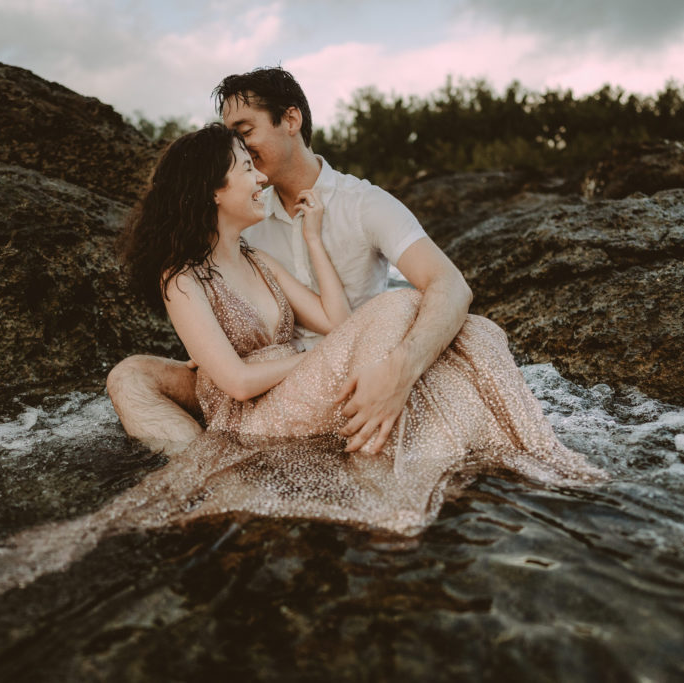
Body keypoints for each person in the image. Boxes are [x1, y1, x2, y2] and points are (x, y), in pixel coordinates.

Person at [0, 124, 605, 603]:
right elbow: (232, 379)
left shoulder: (261, 260)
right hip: (255, 412)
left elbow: (335, 319)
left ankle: (538, 455)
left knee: (478, 328)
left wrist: (314, 239)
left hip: (298, 388)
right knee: (400, 307)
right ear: (212, 189)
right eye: (245, 167)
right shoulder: (184, 277)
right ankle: (390, 497)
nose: (260, 175)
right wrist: (313, 357)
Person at [107, 67, 472, 457]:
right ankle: (198, 465)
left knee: (418, 316)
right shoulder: (243, 216)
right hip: (259, 382)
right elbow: (210, 281)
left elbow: (448, 285)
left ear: (291, 119)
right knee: (131, 375)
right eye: (235, 145)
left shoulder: (365, 204)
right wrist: (208, 347)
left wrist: (402, 369)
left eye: (244, 132)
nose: (241, 149)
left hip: (353, 363)